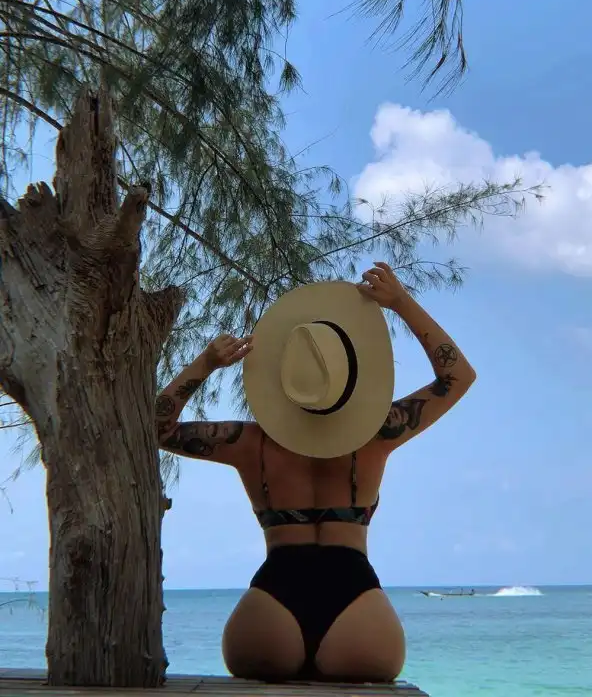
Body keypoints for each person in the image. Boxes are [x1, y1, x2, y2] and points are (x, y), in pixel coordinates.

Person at [155, 262, 476, 683]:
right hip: (356, 605)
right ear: (351, 376)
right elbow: (457, 376)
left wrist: (206, 363)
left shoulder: (248, 442)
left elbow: (157, 428)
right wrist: (400, 302)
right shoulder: (378, 433)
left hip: (271, 606)